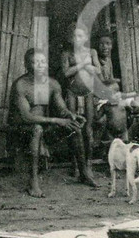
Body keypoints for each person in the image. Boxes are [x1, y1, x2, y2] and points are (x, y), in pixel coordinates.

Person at [7, 48, 96, 197]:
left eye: (43, 62)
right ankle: (33, 182)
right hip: (21, 130)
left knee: (74, 127)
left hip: (43, 126)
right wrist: (56, 120)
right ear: (26, 65)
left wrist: (71, 115)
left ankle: (83, 173)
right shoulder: (21, 85)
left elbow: (62, 109)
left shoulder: (52, 84)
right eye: (35, 62)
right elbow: (26, 117)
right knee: (36, 129)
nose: (40, 65)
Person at [61, 25, 100, 176]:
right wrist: (83, 64)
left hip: (88, 93)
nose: (77, 39)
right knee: (73, 127)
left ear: (86, 38)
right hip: (72, 93)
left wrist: (91, 68)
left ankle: (88, 164)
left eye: (80, 36)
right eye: (74, 36)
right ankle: (75, 164)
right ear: (70, 38)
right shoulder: (67, 54)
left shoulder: (92, 52)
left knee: (88, 129)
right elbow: (66, 73)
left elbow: (98, 70)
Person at [93, 29, 129, 142]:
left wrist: (113, 83)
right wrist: (115, 81)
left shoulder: (108, 60)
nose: (105, 47)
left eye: (108, 43)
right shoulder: (95, 61)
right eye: (101, 44)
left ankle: (121, 139)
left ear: (112, 45)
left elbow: (111, 80)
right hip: (98, 97)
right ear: (97, 46)